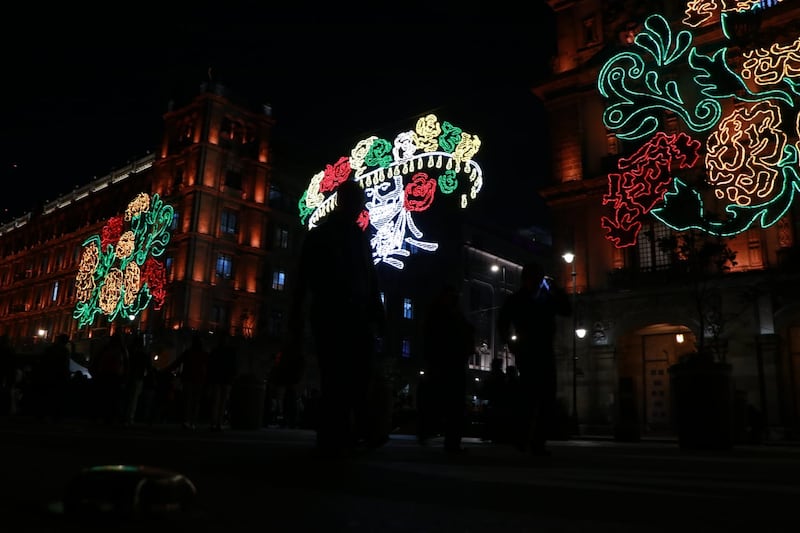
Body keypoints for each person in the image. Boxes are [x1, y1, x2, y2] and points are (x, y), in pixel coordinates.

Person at [285, 179, 387, 458]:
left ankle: (345, 432)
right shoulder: (328, 235)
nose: (360, 207)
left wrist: (377, 314)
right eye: (357, 201)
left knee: (348, 375)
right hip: (335, 313)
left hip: (345, 315)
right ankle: (337, 434)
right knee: (339, 376)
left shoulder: (352, 236)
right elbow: (305, 279)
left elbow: (371, 278)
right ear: (347, 202)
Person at [497, 261, 571, 456]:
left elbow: (567, 310)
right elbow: (502, 323)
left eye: (540, 279)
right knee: (528, 399)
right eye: (535, 279)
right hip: (527, 353)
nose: (538, 283)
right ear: (526, 280)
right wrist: (512, 344)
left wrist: (558, 291)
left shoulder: (547, 298)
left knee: (546, 398)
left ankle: (537, 442)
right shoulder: (517, 300)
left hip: (544, 351)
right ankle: (522, 438)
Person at [418, 284, 475, 454]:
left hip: (452, 363)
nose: (454, 299)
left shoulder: (452, 315)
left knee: (453, 406)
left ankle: (450, 442)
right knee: (446, 404)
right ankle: (438, 436)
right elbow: (431, 338)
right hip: (444, 363)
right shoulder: (440, 315)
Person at [168, 334, 209, 430]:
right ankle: (192, 421)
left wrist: (166, 370)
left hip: (189, 379)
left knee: (188, 401)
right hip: (198, 380)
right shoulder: (203, 354)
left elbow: (177, 363)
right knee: (195, 402)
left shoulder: (189, 353)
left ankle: (187, 420)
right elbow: (208, 368)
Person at [207, 330, 237, 431]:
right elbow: (234, 366)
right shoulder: (231, 352)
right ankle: (218, 422)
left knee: (217, 401)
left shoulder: (216, 351)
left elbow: (210, 366)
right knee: (222, 402)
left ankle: (215, 422)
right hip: (225, 379)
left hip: (218, 378)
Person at [124, 332, 152, 425]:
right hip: (138, 377)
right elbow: (148, 367)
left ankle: (125, 416)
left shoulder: (129, 353)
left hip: (129, 376)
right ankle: (130, 417)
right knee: (134, 398)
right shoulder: (143, 355)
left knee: (128, 397)